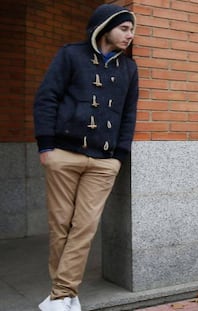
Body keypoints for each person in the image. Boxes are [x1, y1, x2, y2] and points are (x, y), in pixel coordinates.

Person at [33, 4, 138, 310]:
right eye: (124, 28)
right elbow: (46, 98)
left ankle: (62, 294)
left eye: (131, 30)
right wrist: (46, 148)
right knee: (61, 224)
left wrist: (118, 156)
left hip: (104, 161)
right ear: (105, 27)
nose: (130, 35)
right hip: (62, 155)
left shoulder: (129, 69)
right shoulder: (70, 55)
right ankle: (64, 296)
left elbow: (128, 115)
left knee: (85, 226)